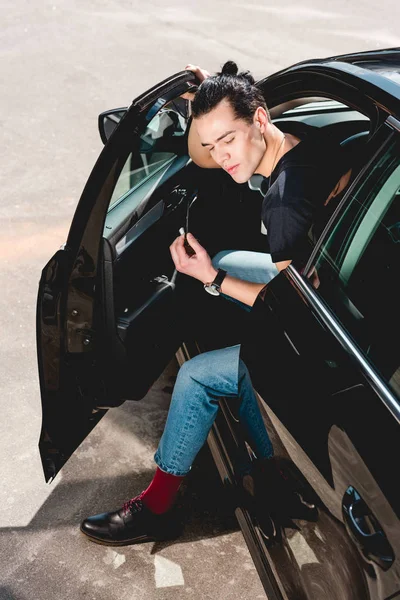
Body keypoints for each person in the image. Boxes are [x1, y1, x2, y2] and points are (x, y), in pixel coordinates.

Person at [80, 61, 350, 546]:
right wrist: (211, 103)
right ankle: (268, 473)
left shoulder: (283, 205)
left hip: (325, 338)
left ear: (260, 121)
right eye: (210, 144)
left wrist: (211, 277)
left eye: (228, 140)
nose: (220, 156)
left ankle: (161, 506)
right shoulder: (305, 144)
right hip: (332, 276)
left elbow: (286, 310)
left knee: (197, 375)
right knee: (230, 254)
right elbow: (213, 150)